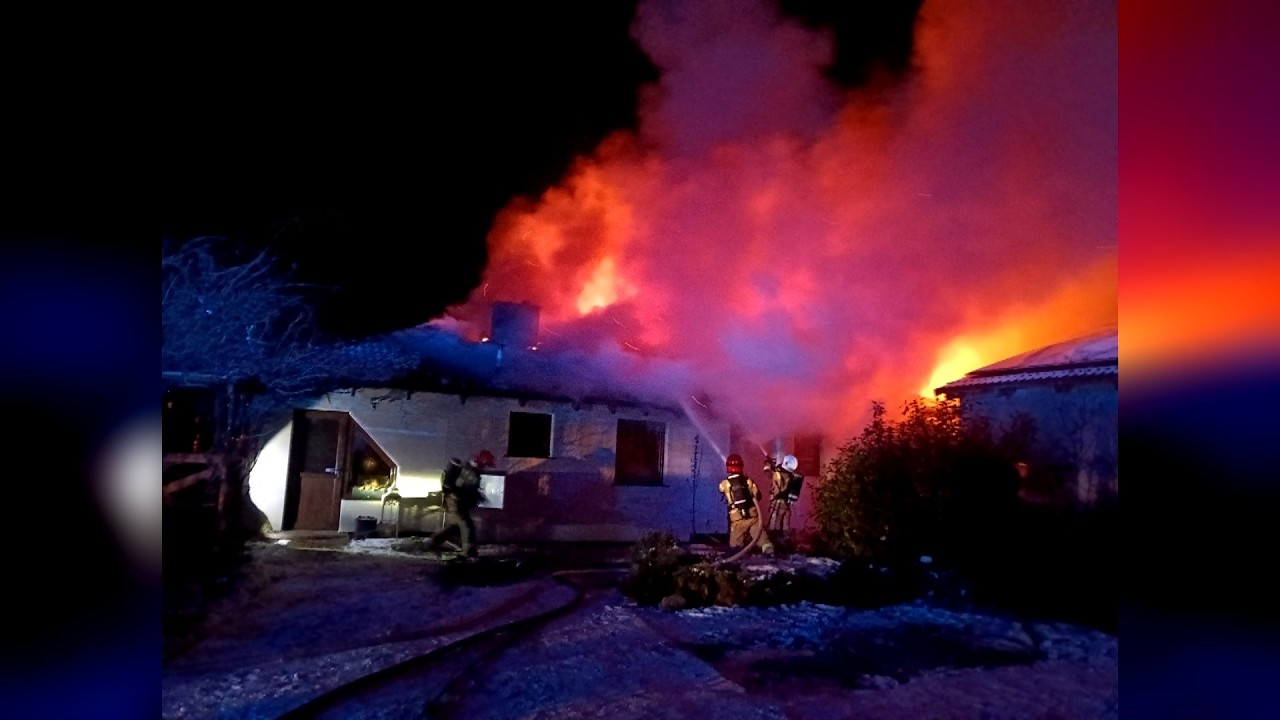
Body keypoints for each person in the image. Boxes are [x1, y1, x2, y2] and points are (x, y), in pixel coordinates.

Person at [426, 449, 495, 559]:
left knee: (457, 526)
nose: (487, 466)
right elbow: (467, 487)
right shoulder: (472, 471)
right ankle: (468, 551)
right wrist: (476, 496)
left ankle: (433, 542)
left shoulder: (471, 468)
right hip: (457, 501)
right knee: (466, 525)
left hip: (456, 500)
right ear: (483, 461)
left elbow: (467, 487)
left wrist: (477, 497)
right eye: (487, 464)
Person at [718, 453, 774, 555]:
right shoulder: (748, 481)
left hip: (737, 520)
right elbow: (758, 496)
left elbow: (721, 490)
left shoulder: (725, 483)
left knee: (735, 547)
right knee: (763, 540)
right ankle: (770, 553)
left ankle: (738, 557)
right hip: (753, 517)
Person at [765, 454, 804, 533]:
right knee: (785, 526)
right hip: (786, 505)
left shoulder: (778, 474)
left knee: (775, 527)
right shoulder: (792, 476)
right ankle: (786, 541)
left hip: (777, 505)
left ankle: (776, 541)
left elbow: (768, 473)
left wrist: (767, 464)